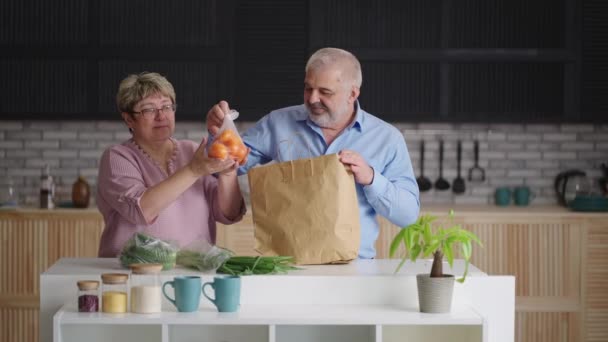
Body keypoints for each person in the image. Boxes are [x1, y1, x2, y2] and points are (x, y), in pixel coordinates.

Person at [206, 47, 420, 259]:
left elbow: (408, 215)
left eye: (325, 92)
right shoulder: (278, 123)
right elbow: (222, 166)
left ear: (352, 94)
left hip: (355, 268)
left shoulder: (387, 138)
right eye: (308, 88)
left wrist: (372, 178)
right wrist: (220, 132)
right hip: (288, 266)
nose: (312, 98)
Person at [97, 72, 246, 257]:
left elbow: (229, 214)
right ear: (129, 119)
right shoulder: (117, 157)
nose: (161, 116)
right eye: (149, 109)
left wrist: (227, 173)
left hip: (192, 271)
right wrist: (193, 170)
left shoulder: (192, 151)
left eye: (166, 106)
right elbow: (141, 209)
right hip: (132, 271)